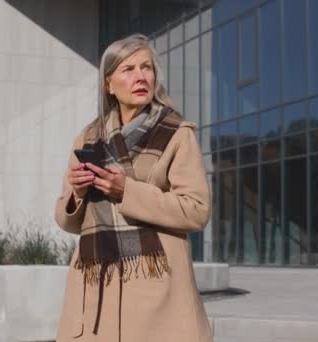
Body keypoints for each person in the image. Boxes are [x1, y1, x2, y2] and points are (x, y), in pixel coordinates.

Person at [54, 33, 212, 342]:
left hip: (157, 291)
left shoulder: (176, 133)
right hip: (95, 292)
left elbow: (197, 210)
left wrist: (127, 191)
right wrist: (78, 193)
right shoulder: (87, 139)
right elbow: (66, 220)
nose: (141, 76)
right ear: (109, 84)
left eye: (147, 67)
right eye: (128, 69)